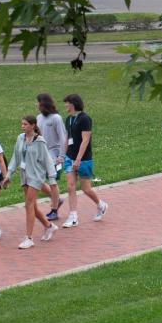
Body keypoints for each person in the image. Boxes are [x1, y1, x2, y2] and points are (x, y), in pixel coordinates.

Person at [6, 116, 57, 248]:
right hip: (25, 175)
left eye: (26, 124)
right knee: (33, 206)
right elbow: (15, 157)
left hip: (36, 176)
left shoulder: (40, 142)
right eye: (22, 124)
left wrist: (52, 179)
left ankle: (29, 238)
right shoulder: (20, 138)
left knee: (28, 204)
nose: (23, 126)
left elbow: (48, 161)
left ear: (33, 126)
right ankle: (48, 225)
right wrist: (8, 174)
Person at [62, 93, 107, 227]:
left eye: (67, 103)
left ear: (73, 104)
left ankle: (101, 205)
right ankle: (73, 216)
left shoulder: (85, 119)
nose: (65, 105)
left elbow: (85, 140)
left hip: (83, 159)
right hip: (70, 157)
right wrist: (64, 155)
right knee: (70, 186)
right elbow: (67, 138)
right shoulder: (68, 119)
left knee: (86, 188)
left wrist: (78, 159)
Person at [34, 93, 66, 221]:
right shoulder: (38, 118)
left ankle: (54, 210)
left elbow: (63, 137)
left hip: (54, 155)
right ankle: (57, 200)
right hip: (42, 154)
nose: (35, 104)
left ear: (43, 103)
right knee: (38, 180)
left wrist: (62, 156)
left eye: (37, 102)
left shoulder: (56, 118)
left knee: (52, 182)